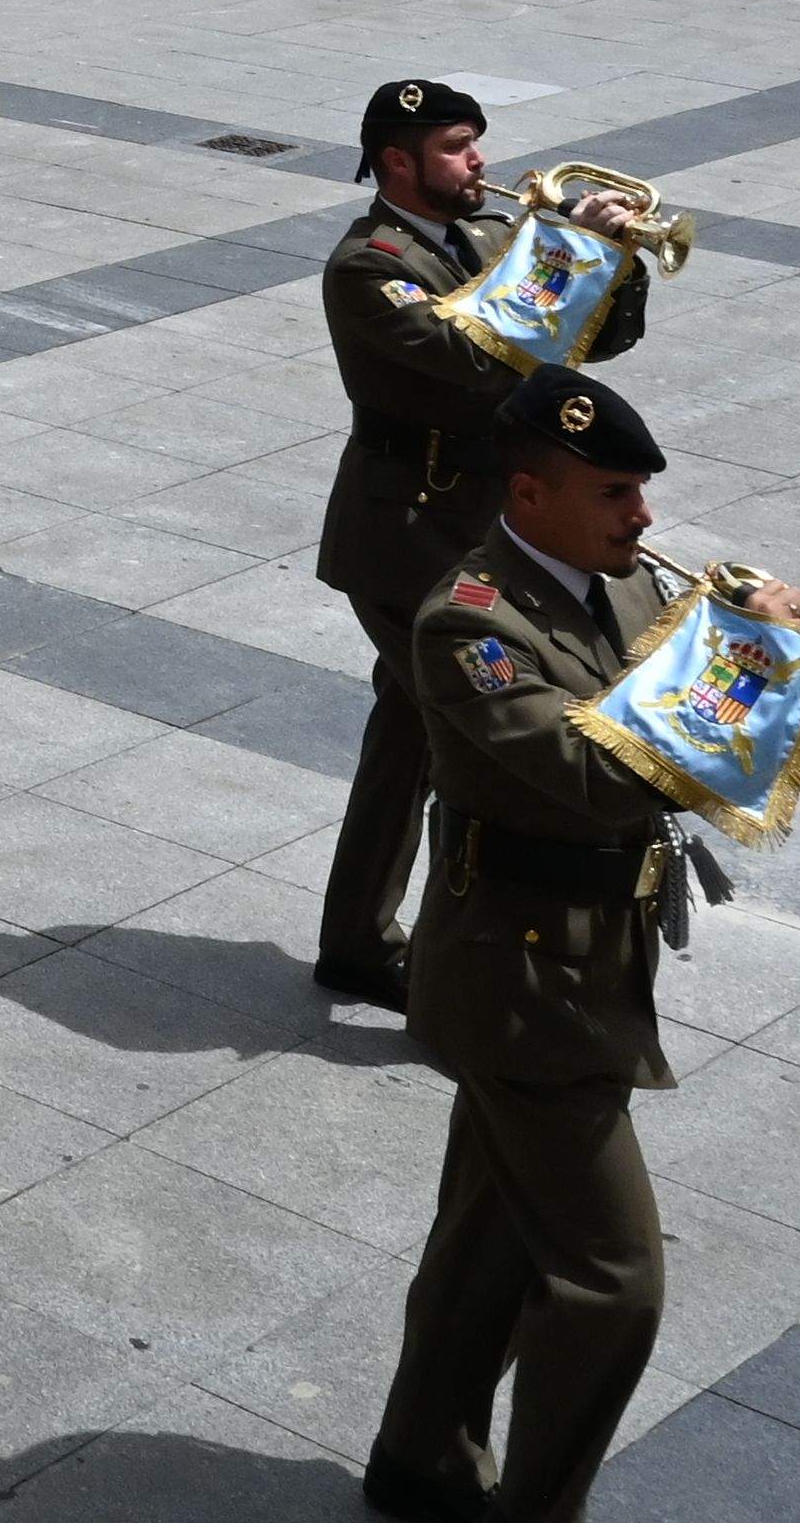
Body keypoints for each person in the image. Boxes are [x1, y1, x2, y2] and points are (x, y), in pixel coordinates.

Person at [363, 374, 800, 1523]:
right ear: (529, 493)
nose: (643, 514)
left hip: (594, 957)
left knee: (490, 1238)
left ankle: (419, 1459)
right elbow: (601, 776)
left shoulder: (627, 586)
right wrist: (741, 668)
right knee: (613, 1283)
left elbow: (714, 757)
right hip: (520, 984)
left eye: (641, 490)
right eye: (614, 492)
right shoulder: (470, 623)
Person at [308, 79, 643, 1013]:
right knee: (476, 744)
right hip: (406, 531)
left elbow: (592, 341)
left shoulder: (494, 239)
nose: (480, 162)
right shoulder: (369, 265)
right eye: (457, 147)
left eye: (475, 143)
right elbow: (479, 354)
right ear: (397, 162)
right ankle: (461, 960)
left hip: (485, 525)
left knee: (411, 736)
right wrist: (565, 252)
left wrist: (615, 260)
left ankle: (357, 943)